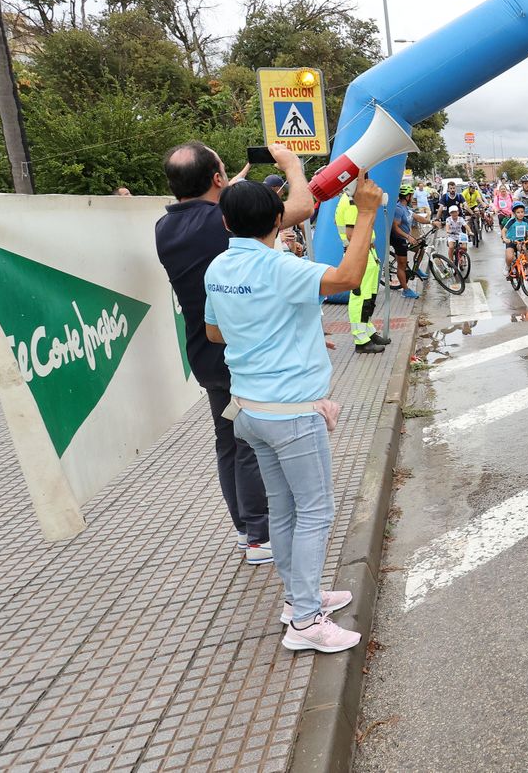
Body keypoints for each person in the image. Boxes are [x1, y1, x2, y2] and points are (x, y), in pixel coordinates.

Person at [204, 174, 383, 653]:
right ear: (278, 219)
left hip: (248, 410)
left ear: (225, 221)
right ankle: (305, 622)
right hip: (291, 416)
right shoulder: (281, 268)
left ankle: (297, 599)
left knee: (283, 509)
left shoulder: (217, 268)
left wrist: (286, 333)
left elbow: (216, 333)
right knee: (316, 512)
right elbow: (347, 278)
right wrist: (366, 212)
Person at [156, 142, 311, 567]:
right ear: (218, 181)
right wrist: (293, 168)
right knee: (248, 444)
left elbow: (216, 212)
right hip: (240, 352)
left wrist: (233, 187)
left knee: (229, 442)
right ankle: (261, 535)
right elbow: (300, 206)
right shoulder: (217, 225)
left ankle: (247, 530)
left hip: (204, 351)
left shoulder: (165, 228)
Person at [333, 186, 389, 355]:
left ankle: (368, 331)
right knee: (360, 298)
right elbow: (351, 234)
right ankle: (361, 339)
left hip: (366, 252)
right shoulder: (351, 201)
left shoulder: (353, 199)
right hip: (358, 254)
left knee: (369, 297)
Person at [391, 183, 428, 299]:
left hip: (405, 238)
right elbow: (395, 227)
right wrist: (408, 237)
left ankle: (416, 269)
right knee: (401, 265)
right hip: (398, 239)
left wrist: (431, 222)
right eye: (411, 195)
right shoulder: (398, 209)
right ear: (407, 197)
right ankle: (405, 290)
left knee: (420, 249)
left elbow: (417, 217)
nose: (412, 197)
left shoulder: (406, 208)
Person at [503, 202, 528, 278]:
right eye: (518, 212)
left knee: (525, 252)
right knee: (509, 257)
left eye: (522, 212)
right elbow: (504, 231)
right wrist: (505, 238)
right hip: (511, 241)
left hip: (520, 241)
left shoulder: (526, 221)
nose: (520, 214)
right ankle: (507, 266)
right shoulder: (512, 221)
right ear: (515, 213)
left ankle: (527, 267)